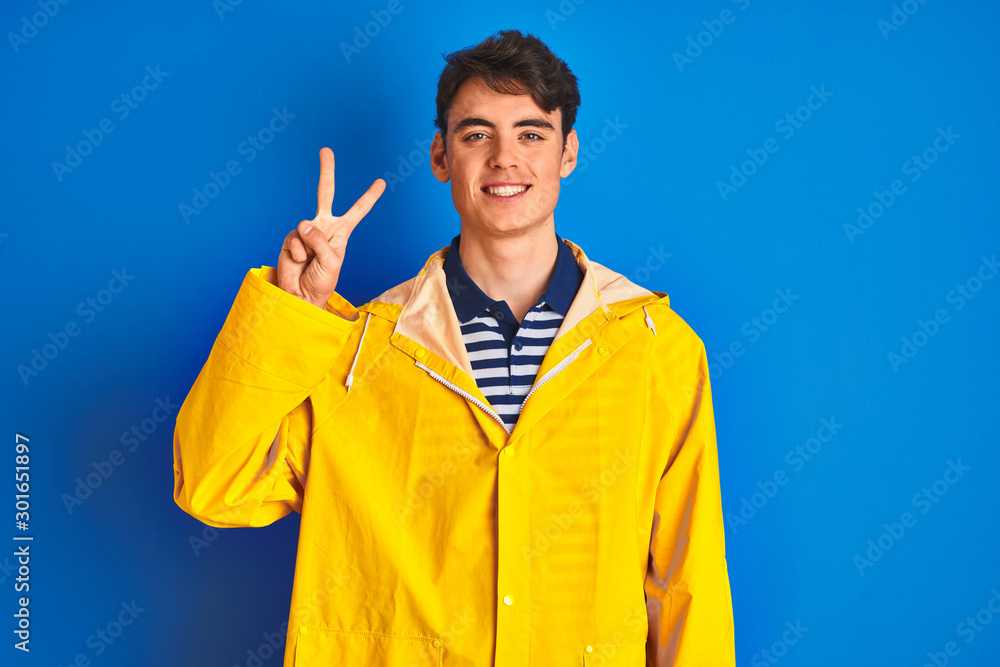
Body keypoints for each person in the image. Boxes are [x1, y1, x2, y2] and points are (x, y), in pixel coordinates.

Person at [173, 29, 735, 667]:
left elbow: (687, 585)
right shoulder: (354, 350)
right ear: (441, 156)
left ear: (569, 152)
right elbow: (214, 485)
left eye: (531, 133)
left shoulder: (657, 350)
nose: (504, 158)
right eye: (476, 134)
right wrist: (291, 308)